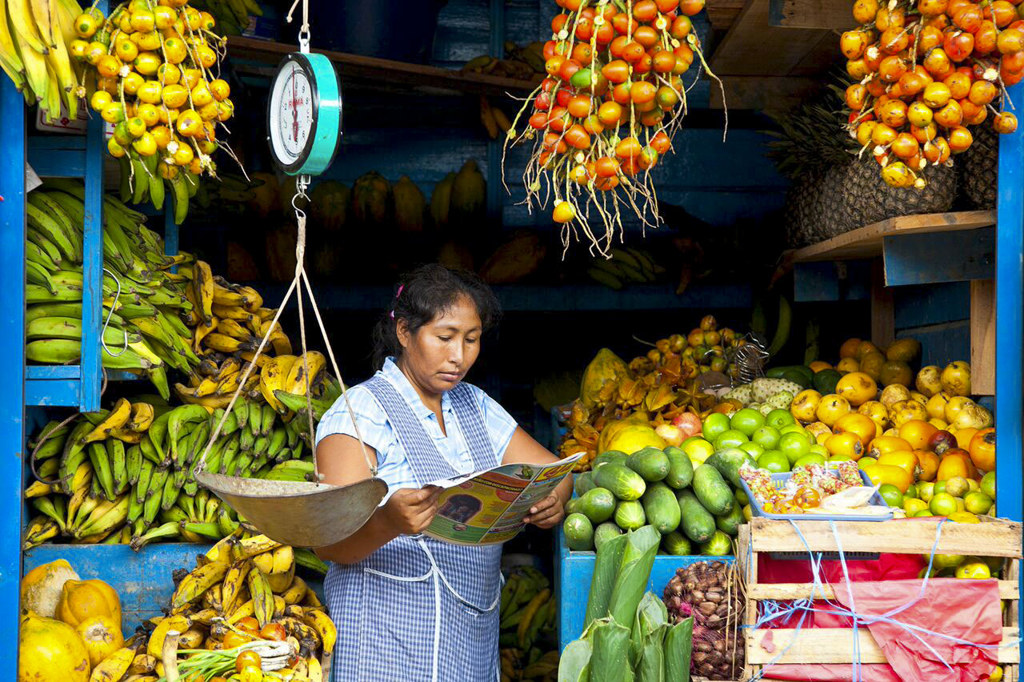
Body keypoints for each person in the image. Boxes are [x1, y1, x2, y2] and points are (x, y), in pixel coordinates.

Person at [314, 264, 572, 682]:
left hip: (469, 647)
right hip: (384, 649)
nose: (459, 356)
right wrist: (388, 522)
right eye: (445, 337)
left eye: (471, 339)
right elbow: (328, 542)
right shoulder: (360, 412)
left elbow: (556, 473)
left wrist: (552, 500)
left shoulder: (475, 406)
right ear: (404, 332)